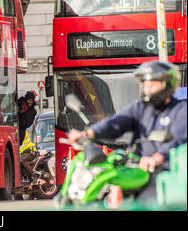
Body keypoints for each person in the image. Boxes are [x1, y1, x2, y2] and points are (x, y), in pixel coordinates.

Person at [67, 61, 187, 201]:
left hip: (164, 171)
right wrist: (88, 133)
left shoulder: (181, 110)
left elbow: (178, 139)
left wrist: (157, 157)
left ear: (167, 83)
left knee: (148, 202)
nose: (147, 89)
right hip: (135, 168)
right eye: (144, 84)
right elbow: (115, 123)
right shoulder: (140, 108)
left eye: (151, 84)